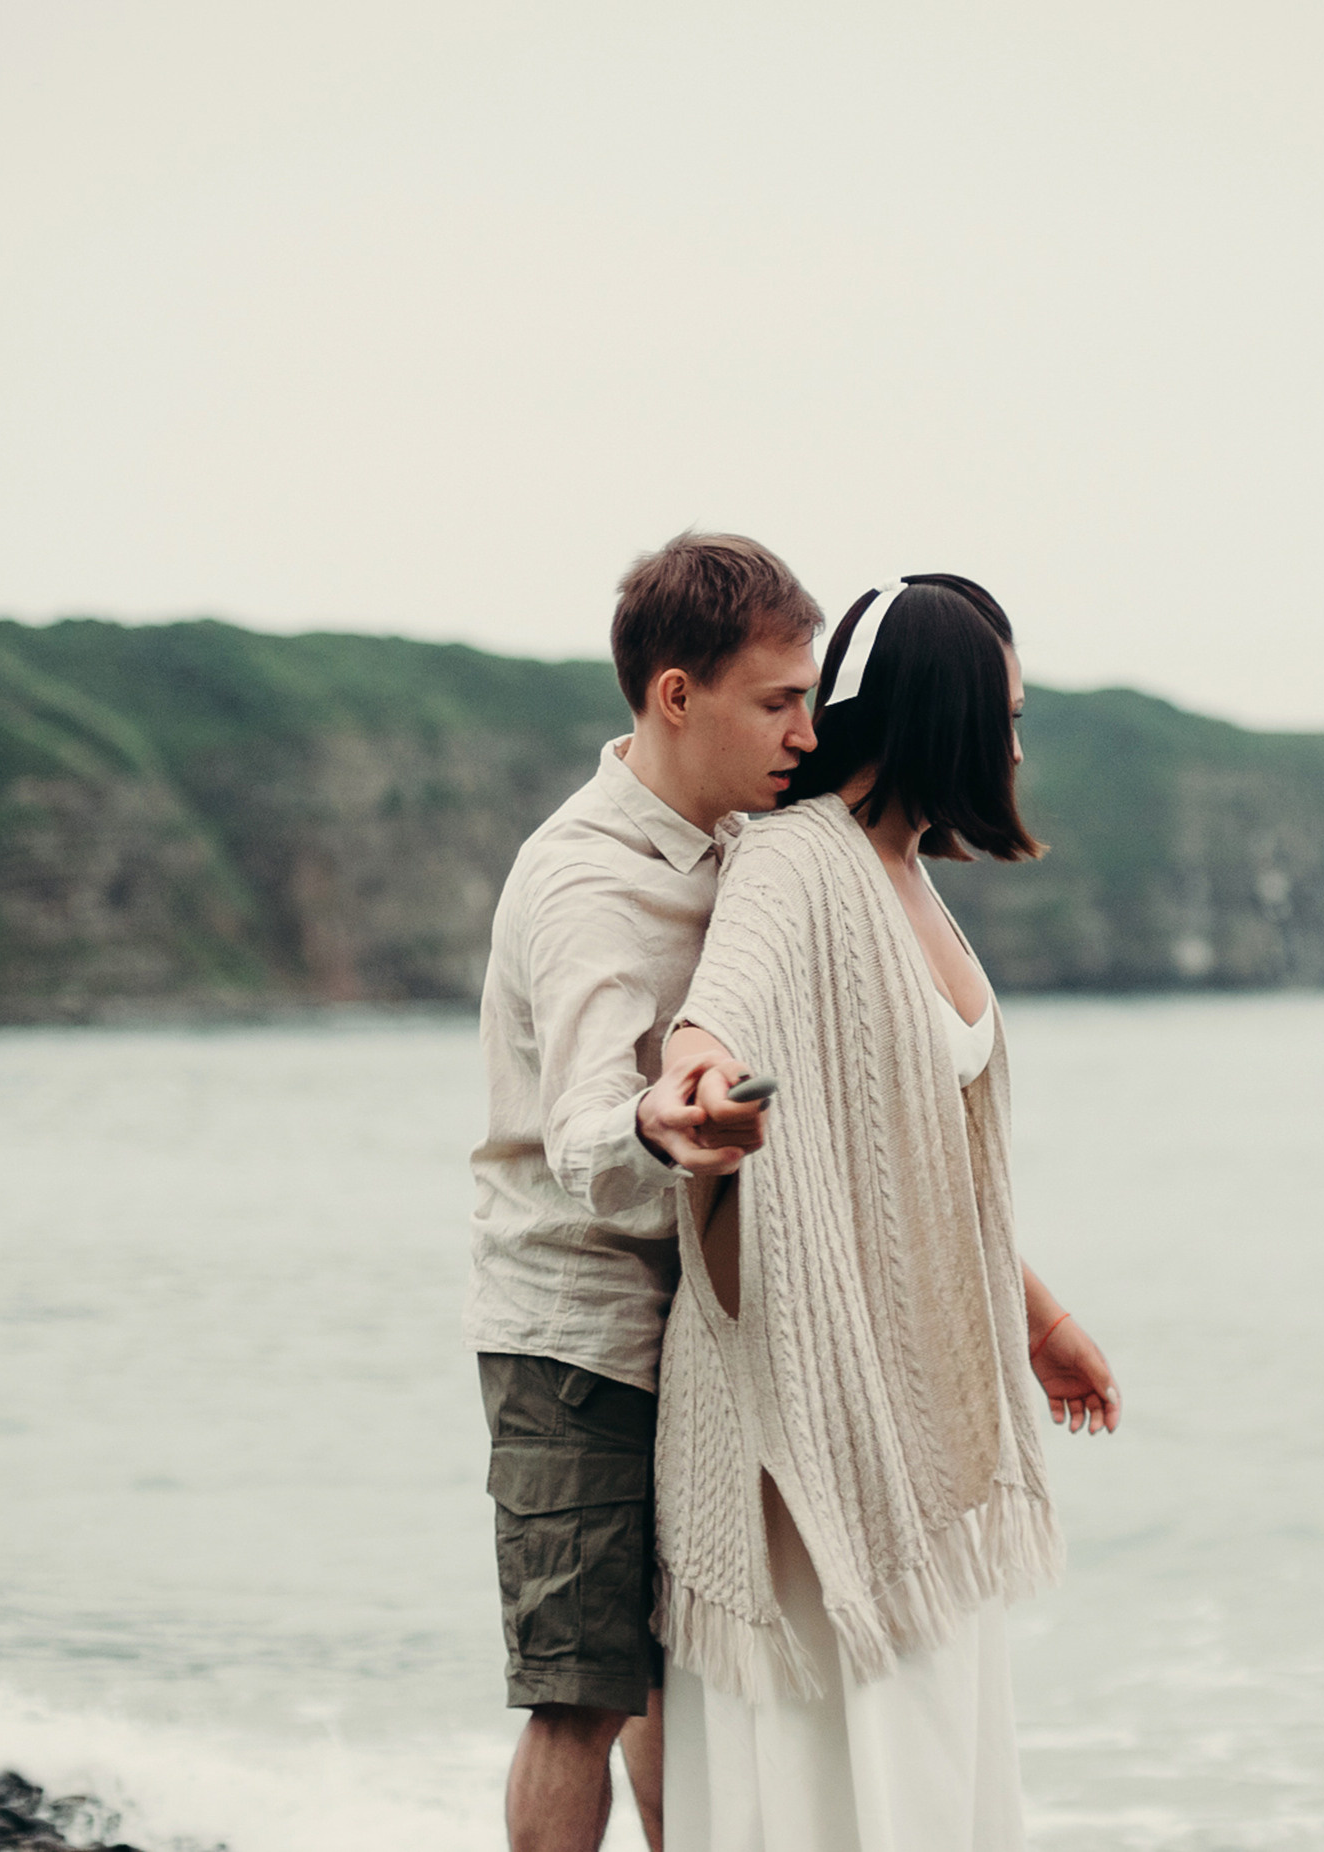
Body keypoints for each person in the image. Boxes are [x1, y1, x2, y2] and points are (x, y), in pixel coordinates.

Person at [641, 574, 1123, 1852]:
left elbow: (926, 1168)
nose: (1015, 745)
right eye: (1004, 713)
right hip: (820, 1402)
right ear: (946, 712)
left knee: (920, 1761)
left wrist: (1041, 1318)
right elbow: (721, 1000)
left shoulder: (909, 877)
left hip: (920, 1407)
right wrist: (693, 1074)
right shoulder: (797, 861)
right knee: (831, 1773)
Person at [466, 531, 826, 1852]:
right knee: (581, 1696)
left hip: (703, 1334)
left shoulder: (749, 838)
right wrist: (665, 1131)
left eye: (812, 701)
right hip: (577, 1337)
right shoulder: (583, 882)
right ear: (679, 696)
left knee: (690, 1682)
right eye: (778, 702)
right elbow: (582, 1145)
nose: (805, 731)